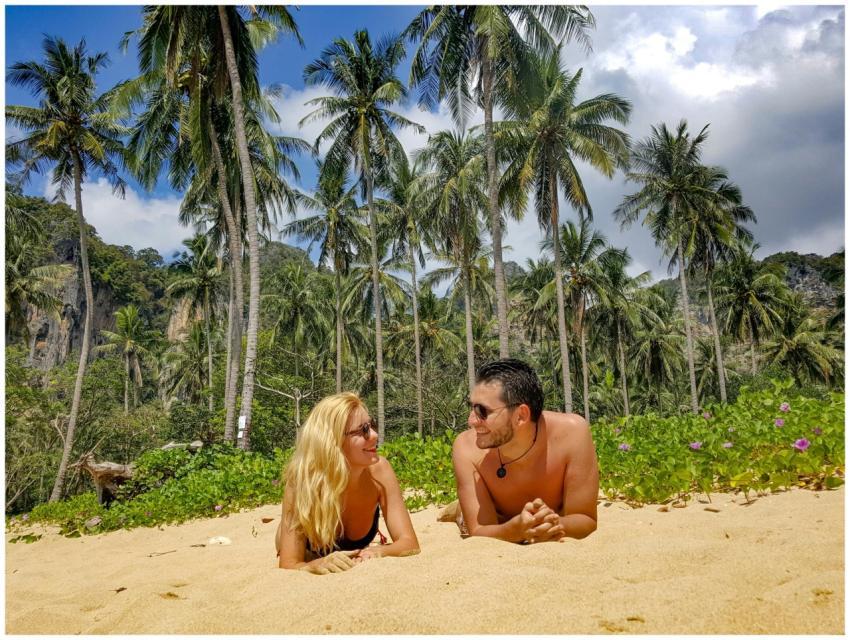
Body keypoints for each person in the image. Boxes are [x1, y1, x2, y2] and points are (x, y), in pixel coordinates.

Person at [451, 359, 599, 544]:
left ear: (521, 416)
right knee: (463, 517)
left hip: (540, 516)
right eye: (471, 407)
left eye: (482, 411)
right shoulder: (466, 448)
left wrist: (552, 524)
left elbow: (586, 519)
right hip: (501, 518)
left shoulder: (572, 433)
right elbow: (479, 529)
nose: (471, 420)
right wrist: (513, 530)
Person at [277, 392, 420, 573]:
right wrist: (316, 564)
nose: (375, 435)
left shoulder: (380, 472)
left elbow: (409, 542)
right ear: (333, 441)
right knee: (285, 533)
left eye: (372, 425)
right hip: (303, 547)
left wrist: (378, 551)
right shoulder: (302, 482)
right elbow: (289, 564)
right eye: (363, 430)